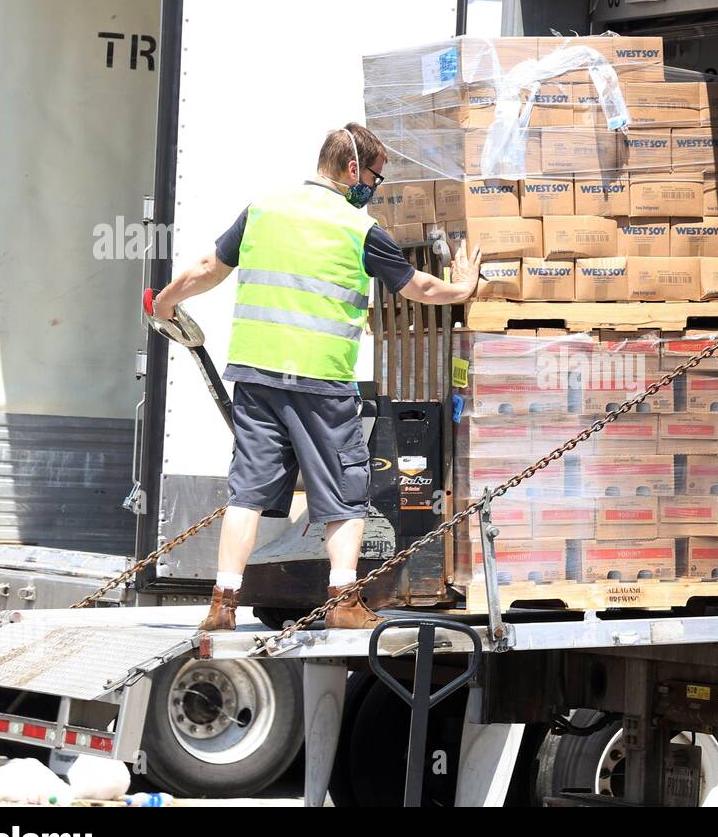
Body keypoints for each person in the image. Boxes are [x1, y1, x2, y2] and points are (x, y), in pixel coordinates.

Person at [152, 123, 480, 631]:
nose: (375, 186)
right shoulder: (359, 228)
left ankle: (222, 606)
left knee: (247, 493)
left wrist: (167, 302)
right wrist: (463, 288)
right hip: (321, 382)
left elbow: (207, 267)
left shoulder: (263, 209)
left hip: (257, 377)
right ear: (354, 170)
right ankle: (344, 602)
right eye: (376, 176)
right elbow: (418, 288)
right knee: (344, 492)